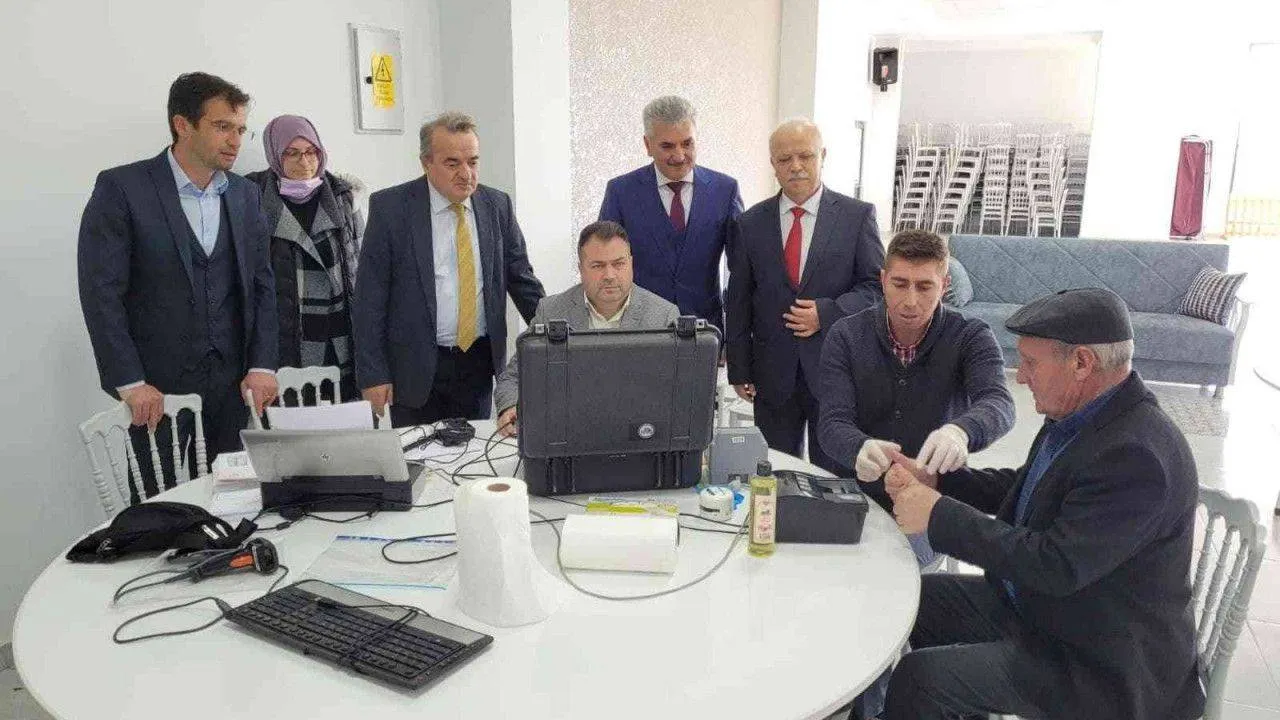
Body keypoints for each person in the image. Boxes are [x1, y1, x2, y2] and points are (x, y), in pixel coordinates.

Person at [881, 288, 1205, 720]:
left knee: (921, 678)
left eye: (1031, 363)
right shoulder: (1083, 416)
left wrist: (936, 514)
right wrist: (940, 481)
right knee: (908, 600)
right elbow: (1030, 487)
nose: (1021, 377)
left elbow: (1054, 565)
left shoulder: (1136, 455)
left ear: (1082, 363)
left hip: (1096, 663)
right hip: (1048, 613)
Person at [817, 229, 1015, 720]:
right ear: (882, 279)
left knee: (888, 600)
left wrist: (962, 430)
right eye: (899, 284)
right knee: (827, 595)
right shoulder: (846, 335)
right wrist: (857, 446)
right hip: (857, 496)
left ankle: (878, 707)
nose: (910, 301)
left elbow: (999, 402)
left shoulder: (970, 336)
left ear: (944, 285)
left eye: (924, 287)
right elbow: (832, 422)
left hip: (926, 502)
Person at [78, 72, 278, 496]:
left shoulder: (245, 194)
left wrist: (262, 365)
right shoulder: (123, 188)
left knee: (237, 499)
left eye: (240, 129)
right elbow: (101, 293)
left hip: (232, 383)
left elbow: (262, 283)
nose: (235, 141)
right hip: (156, 389)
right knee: (158, 507)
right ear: (182, 125)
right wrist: (130, 383)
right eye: (222, 126)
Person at [353, 112, 544, 427]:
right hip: (413, 368)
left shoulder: (497, 206)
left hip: (477, 364)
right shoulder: (391, 209)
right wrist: (373, 374)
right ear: (426, 163)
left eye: (473, 162)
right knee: (418, 452)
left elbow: (522, 281)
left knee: (474, 452)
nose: (466, 174)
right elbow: (369, 299)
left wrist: (559, 335)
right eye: (452, 163)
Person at [725, 118, 884, 473]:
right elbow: (738, 300)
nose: (795, 166)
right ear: (773, 164)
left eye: (805, 156)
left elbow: (876, 288)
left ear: (822, 156)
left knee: (834, 471)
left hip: (836, 367)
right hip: (772, 372)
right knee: (776, 470)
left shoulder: (856, 217)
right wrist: (739, 367)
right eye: (785, 159)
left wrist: (826, 313)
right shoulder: (750, 223)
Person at [493, 220, 679, 437]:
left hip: (640, 434)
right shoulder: (551, 311)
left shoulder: (664, 316)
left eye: (618, 264)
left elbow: (681, 389)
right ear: (581, 269)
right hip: (569, 433)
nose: (609, 275)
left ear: (631, 264)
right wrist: (510, 407)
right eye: (598, 266)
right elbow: (513, 377)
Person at [246, 115, 364, 403]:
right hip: (287, 341)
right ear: (275, 155)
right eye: (292, 153)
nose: (305, 162)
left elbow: (361, 263)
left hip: (340, 336)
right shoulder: (253, 199)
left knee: (346, 420)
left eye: (312, 152)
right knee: (294, 421)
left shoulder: (343, 196)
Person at [598, 96, 742, 331]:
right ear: (647, 145)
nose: (679, 155)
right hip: (639, 330)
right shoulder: (621, 192)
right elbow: (606, 263)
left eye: (687, 143)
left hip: (704, 329)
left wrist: (735, 332)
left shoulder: (725, 190)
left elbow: (740, 267)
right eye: (667, 146)